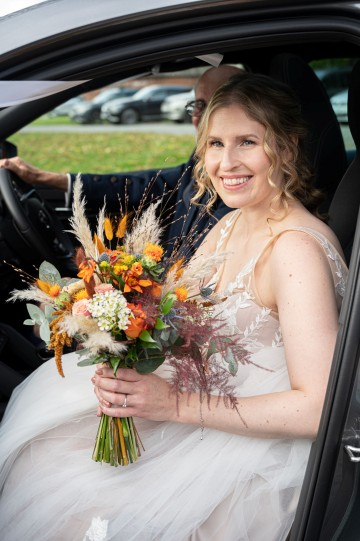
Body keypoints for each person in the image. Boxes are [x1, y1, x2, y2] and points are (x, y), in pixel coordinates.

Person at [0, 73, 348, 541]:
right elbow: (176, 313)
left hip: (262, 455)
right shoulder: (231, 224)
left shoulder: (293, 249)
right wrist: (112, 309)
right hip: (213, 411)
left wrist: (174, 404)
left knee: (76, 500)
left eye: (248, 142)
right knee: (47, 452)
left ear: (286, 146)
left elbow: (319, 409)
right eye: (215, 144)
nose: (227, 163)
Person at [0, 65, 243, 255]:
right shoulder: (200, 160)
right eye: (196, 105)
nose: (198, 116)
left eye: (209, 105)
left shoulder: (245, 191)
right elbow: (150, 184)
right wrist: (49, 179)